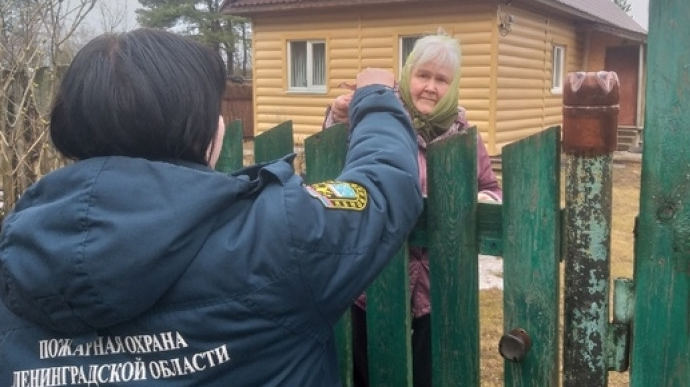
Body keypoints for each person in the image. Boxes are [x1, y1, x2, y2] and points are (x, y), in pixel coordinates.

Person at [0, 28, 423, 386]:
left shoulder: (15, 252)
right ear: (203, 131)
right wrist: (378, 98)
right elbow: (384, 188)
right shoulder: (276, 234)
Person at [324, 32, 502, 387]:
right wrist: (338, 116)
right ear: (407, 76)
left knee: (427, 375)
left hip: (437, 284)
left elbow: (490, 188)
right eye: (423, 75)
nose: (431, 88)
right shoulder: (381, 121)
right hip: (373, 277)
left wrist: (482, 203)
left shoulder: (464, 134)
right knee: (369, 372)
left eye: (441, 80)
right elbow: (335, 166)